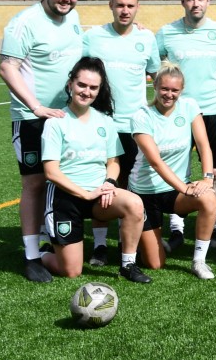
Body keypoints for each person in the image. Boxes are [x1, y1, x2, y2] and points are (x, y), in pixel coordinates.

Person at [0, 0, 84, 282]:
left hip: (64, 118)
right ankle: (32, 256)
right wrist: (36, 106)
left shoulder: (74, 19)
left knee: (59, 181)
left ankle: (50, 239)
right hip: (32, 119)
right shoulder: (24, 23)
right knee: (34, 184)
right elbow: (7, 68)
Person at [40, 57, 150, 283]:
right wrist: (84, 193)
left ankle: (128, 265)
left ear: (99, 91)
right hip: (66, 198)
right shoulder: (56, 122)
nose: (86, 91)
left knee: (134, 203)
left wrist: (110, 182)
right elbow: (51, 172)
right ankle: (39, 254)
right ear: (70, 84)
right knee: (71, 271)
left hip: (99, 195)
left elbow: (113, 161)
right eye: (82, 85)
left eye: (93, 87)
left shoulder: (105, 121)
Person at [81, 0, 161, 266]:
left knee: (132, 185)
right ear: (110, 6)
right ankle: (100, 246)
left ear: (137, 7)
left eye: (130, 5)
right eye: (120, 5)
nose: (125, 10)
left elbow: (158, 77)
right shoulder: (93, 37)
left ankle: (131, 244)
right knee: (104, 186)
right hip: (102, 125)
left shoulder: (147, 38)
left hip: (135, 126)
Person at [155, 0, 216, 252]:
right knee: (177, 167)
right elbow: (155, 65)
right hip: (176, 112)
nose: (195, 3)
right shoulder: (166, 33)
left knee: (214, 171)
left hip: (211, 110)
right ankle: (177, 228)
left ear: (208, 1)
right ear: (182, 2)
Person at [128, 64, 216, 279]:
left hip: (174, 191)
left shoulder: (189, 106)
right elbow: (156, 162)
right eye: (164, 89)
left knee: (210, 198)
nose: (169, 94)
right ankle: (140, 236)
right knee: (154, 263)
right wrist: (185, 189)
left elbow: (204, 145)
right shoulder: (142, 116)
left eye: (174, 90)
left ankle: (199, 261)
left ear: (181, 90)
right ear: (155, 87)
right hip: (145, 194)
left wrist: (207, 179)